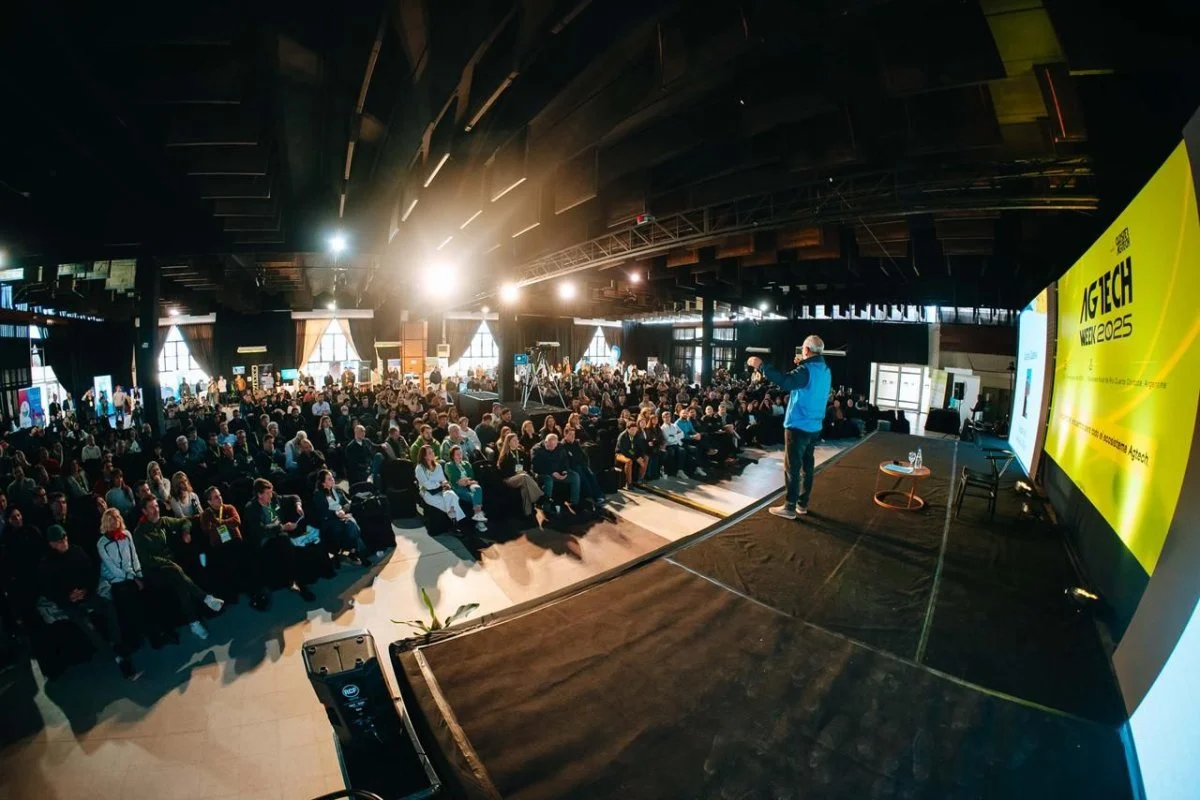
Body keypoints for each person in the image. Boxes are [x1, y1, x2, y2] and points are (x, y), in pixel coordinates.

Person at [748, 334, 831, 519]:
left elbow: (785, 381)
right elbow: (808, 385)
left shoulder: (805, 371)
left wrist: (761, 366)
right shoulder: (825, 369)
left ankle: (790, 507)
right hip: (815, 425)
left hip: (798, 425)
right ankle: (802, 504)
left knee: (792, 467)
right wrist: (802, 365)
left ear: (806, 350)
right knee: (807, 467)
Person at [41, 524, 137, 678]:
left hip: (86, 593)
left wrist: (85, 590)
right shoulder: (47, 564)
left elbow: (91, 573)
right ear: (52, 544)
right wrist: (67, 597)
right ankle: (112, 655)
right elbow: (49, 589)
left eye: (64, 538)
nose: (63, 542)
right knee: (87, 625)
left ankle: (117, 644)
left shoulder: (77, 551)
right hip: (69, 602)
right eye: (59, 541)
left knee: (108, 606)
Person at [133, 497, 224, 639]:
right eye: (151, 507)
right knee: (175, 570)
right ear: (144, 511)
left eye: (156, 506)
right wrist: (167, 562)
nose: (156, 509)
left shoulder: (163, 521)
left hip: (171, 568)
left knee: (179, 581)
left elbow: (185, 521)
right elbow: (147, 559)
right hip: (153, 571)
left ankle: (194, 623)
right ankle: (206, 598)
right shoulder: (139, 533)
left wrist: (185, 532)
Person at [241, 478, 314, 605]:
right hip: (265, 539)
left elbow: (294, 497)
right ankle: (296, 581)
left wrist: (298, 505)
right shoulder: (251, 508)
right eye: (268, 493)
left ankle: (305, 574)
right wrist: (281, 527)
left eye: (271, 492)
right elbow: (261, 530)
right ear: (259, 495)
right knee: (284, 541)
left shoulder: (273, 497)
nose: (271, 495)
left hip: (280, 531)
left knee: (302, 530)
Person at [197, 487, 253, 604]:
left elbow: (236, 521)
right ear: (209, 502)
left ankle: (250, 589)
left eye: (220, 495)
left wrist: (221, 522)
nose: (220, 498)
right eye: (216, 497)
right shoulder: (206, 515)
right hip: (220, 546)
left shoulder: (229, 508)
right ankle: (232, 594)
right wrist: (222, 523)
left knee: (244, 554)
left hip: (235, 541)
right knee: (224, 560)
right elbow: (206, 529)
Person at [310, 470, 373, 565]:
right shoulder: (318, 495)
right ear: (323, 483)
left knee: (352, 523)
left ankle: (355, 552)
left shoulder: (337, 489)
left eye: (332, 477)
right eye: (329, 479)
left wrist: (343, 510)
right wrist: (336, 513)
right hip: (329, 520)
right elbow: (323, 512)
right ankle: (358, 553)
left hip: (342, 515)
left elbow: (347, 502)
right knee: (350, 525)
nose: (333, 480)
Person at [414, 445, 466, 525]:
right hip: (427, 493)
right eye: (430, 453)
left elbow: (443, 479)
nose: (433, 454)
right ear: (424, 456)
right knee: (447, 502)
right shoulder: (419, 468)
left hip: (441, 489)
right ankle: (458, 521)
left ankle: (455, 520)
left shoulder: (438, 466)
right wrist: (439, 483)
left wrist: (445, 484)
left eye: (432, 452)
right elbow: (427, 485)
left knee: (453, 496)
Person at [496, 432, 544, 517]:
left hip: (522, 478)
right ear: (509, 442)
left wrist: (524, 472)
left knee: (525, 485)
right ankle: (540, 497)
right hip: (509, 479)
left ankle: (527, 512)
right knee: (524, 477)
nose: (517, 442)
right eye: (514, 440)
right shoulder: (505, 456)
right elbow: (503, 472)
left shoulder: (521, 453)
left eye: (517, 440)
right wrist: (516, 473)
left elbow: (527, 466)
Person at [444, 446, 488, 532]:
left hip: (469, 484)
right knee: (474, 497)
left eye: (460, 453)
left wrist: (466, 481)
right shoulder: (449, 465)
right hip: (458, 488)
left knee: (478, 488)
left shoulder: (466, 464)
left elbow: (471, 476)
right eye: (457, 454)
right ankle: (479, 521)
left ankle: (478, 516)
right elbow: (455, 480)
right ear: (452, 456)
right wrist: (465, 481)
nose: (460, 456)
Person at [531, 433, 581, 511]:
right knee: (549, 480)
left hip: (558, 472)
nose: (553, 448)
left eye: (555, 445)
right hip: (543, 474)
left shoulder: (560, 447)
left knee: (575, 476)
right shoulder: (536, 450)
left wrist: (564, 471)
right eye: (550, 445)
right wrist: (552, 472)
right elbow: (537, 467)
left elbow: (565, 461)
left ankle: (574, 503)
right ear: (546, 442)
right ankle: (546, 507)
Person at [615, 420, 648, 489]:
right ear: (628, 429)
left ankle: (640, 479)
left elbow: (640, 448)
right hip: (620, 454)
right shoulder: (622, 436)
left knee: (646, 458)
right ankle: (629, 483)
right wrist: (636, 458)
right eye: (632, 430)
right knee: (629, 461)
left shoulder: (637, 435)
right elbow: (626, 450)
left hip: (632, 453)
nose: (634, 431)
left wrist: (640, 457)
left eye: (635, 430)